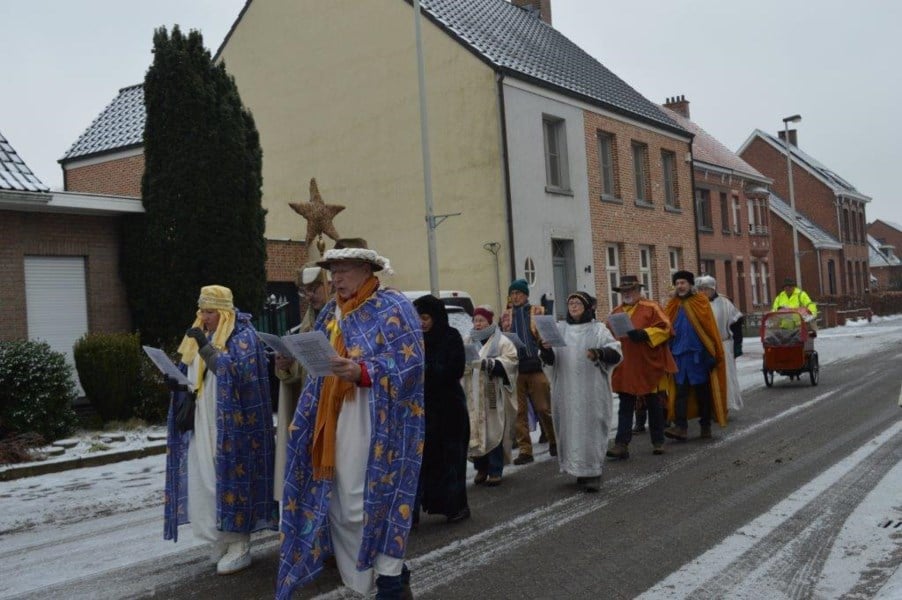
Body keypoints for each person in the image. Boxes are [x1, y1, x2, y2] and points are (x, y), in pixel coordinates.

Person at [276, 240, 424, 600]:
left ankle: (388, 580)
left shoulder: (393, 307)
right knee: (339, 503)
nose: (336, 278)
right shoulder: (330, 313)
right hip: (335, 420)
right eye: (332, 271)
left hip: (376, 419)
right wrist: (290, 365)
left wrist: (362, 371)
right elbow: (318, 368)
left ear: (366, 270)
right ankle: (370, 583)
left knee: (369, 501)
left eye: (343, 270)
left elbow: (412, 364)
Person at [162, 285, 277, 575]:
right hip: (204, 418)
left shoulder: (243, 337)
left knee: (229, 477)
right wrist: (177, 382)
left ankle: (239, 542)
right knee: (205, 477)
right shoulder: (201, 336)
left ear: (224, 311)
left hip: (234, 425)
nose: (204, 316)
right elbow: (192, 372)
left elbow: (237, 374)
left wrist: (205, 347)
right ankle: (221, 536)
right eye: (201, 310)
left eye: (210, 311)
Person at [539, 292, 621, 492]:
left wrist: (599, 353)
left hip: (591, 389)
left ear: (587, 307)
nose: (573, 306)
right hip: (566, 389)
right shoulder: (560, 329)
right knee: (569, 428)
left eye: (577, 303)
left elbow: (616, 351)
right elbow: (550, 361)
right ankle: (576, 469)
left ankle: (592, 472)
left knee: (590, 427)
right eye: (570, 303)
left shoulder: (598, 329)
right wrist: (546, 349)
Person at [273, 264, 332, 503]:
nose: (310, 295)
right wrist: (286, 366)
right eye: (305, 291)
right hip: (312, 409)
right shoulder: (307, 323)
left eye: (315, 288)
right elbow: (304, 372)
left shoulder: (342, 316)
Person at [412, 294, 470, 525]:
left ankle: (456, 506)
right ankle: (423, 507)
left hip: (449, 409)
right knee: (426, 461)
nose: (422, 322)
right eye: (418, 317)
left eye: (425, 317)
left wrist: (426, 368)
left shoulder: (451, 336)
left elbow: (455, 369)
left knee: (452, 460)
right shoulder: (413, 340)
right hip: (424, 410)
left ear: (436, 317)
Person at [605, 276, 677, 459]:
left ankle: (658, 441)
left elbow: (667, 328)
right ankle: (621, 444)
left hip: (649, 363)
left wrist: (645, 333)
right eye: (624, 291)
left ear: (638, 291)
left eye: (630, 290)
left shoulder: (651, 307)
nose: (627, 294)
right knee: (626, 404)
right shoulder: (615, 313)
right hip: (627, 365)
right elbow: (607, 336)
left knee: (654, 403)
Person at [663, 271, 728, 441]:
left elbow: (709, 329)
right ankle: (680, 427)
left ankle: (705, 426)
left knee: (702, 393)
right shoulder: (672, 304)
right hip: (678, 356)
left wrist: (711, 352)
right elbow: (666, 328)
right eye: (677, 283)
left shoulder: (701, 302)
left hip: (698, 356)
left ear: (691, 285)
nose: (680, 286)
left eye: (683, 283)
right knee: (680, 393)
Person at [500, 278, 556, 465]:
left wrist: (544, 347)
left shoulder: (538, 311)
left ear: (525, 295)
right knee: (519, 412)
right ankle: (525, 450)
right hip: (516, 370)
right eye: (512, 294)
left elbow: (547, 335)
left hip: (535, 366)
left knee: (543, 407)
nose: (515, 297)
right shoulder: (505, 316)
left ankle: (554, 439)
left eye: (518, 293)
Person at [464, 305, 518, 487]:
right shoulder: (469, 340)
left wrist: (491, 364)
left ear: (489, 322)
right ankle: (481, 468)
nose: (477, 324)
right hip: (474, 395)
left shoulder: (502, 341)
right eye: (475, 320)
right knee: (476, 432)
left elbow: (511, 361)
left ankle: (495, 469)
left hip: (493, 393)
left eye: (481, 320)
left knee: (494, 431)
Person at [695, 275, 745, 412]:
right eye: (699, 289)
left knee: (725, 376)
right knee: (705, 378)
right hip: (703, 346)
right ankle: (708, 407)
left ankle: (725, 405)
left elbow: (736, 323)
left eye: (705, 289)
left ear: (712, 289)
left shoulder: (724, 302)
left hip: (723, 344)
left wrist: (737, 345)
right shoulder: (696, 304)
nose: (702, 292)